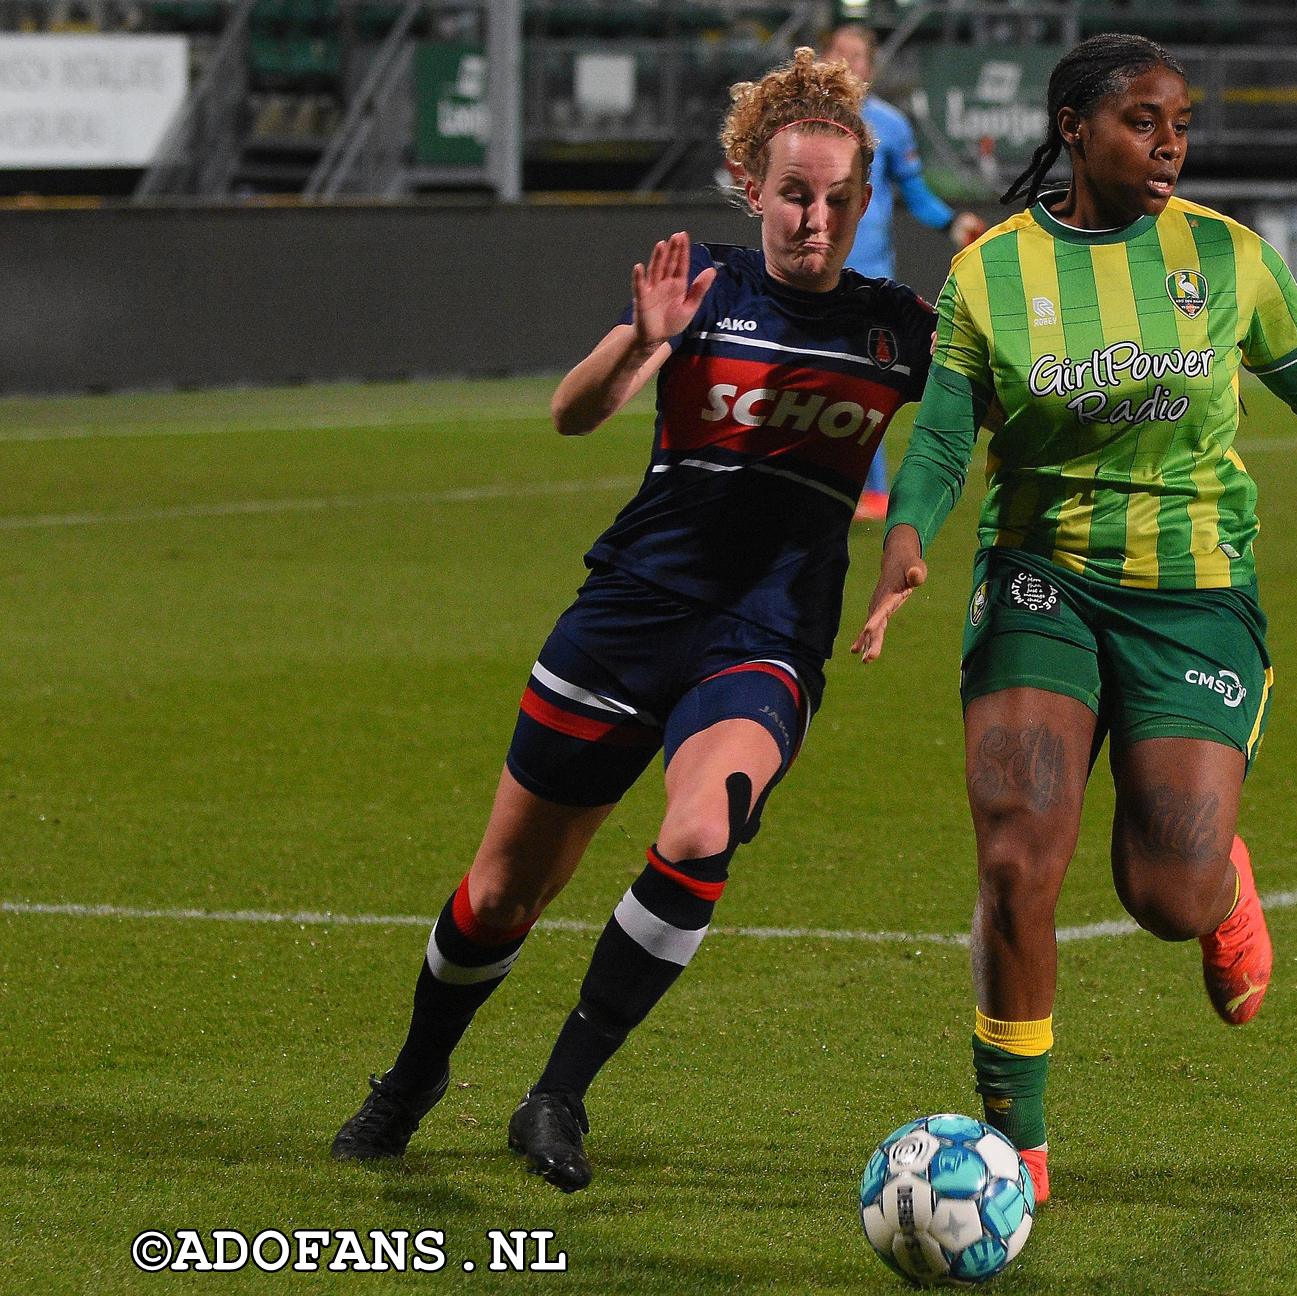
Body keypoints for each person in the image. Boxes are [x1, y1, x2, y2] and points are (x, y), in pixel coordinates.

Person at [854, 33, 1297, 1206]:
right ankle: (1014, 1148)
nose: (1169, 142)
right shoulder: (990, 275)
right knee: (1019, 855)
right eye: (1142, 120)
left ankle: (1220, 886)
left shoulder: (1224, 258)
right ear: (1075, 126)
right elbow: (942, 433)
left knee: (1163, 896)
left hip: (1194, 595)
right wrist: (908, 536)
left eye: (1180, 122)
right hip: (1040, 578)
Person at [330, 47, 935, 1194]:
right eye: (793, 194)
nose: (814, 220)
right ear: (750, 186)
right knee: (505, 892)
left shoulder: (897, 328)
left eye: (837, 199)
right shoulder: (697, 286)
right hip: (629, 616)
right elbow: (573, 414)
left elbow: (964, 431)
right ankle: (410, 1078)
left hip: (763, 635)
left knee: (704, 830)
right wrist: (640, 343)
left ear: (862, 200)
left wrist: (911, 541)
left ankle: (557, 1096)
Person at [821, 22, 986, 522]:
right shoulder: (804, 121)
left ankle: (868, 491)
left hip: (867, 276)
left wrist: (954, 222)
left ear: (871, 70)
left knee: (855, 381)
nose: (847, 64)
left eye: (858, 56)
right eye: (839, 53)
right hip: (812, 269)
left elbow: (914, 195)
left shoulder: (889, 125)